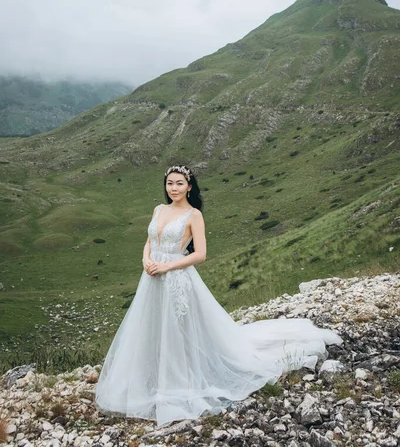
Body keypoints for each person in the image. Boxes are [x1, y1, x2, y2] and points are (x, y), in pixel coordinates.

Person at [95, 164, 342, 427]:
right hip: (152, 276)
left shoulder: (193, 215)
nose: (174, 188)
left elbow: (200, 254)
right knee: (151, 326)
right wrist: (146, 260)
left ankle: (181, 379)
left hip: (176, 278)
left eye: (179, 183)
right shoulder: (159, 209)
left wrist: (166, 266)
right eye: (170, 183)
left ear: (189, 186)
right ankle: (151, 374)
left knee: (180, 329)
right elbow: (149, 241)